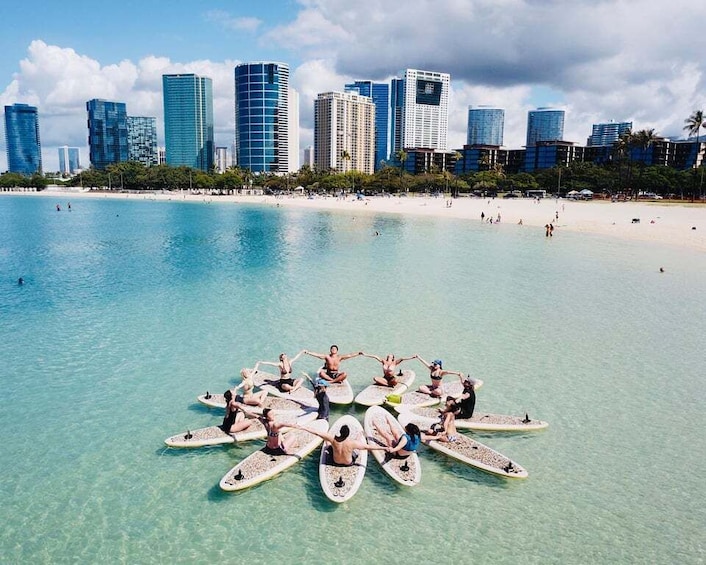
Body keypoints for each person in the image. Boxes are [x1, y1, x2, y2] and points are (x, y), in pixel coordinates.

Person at [297, 422, 385, 466]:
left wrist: (303, 427)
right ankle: (359, 436)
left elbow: (317, 433)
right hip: (348, 463)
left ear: (340, 432)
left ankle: (329, 445)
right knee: (358, 449)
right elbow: (368, 447)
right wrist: (384, 448)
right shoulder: (351, 443)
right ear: (348, 434)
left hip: (335, 461)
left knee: (329, 445)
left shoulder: (333, 439)